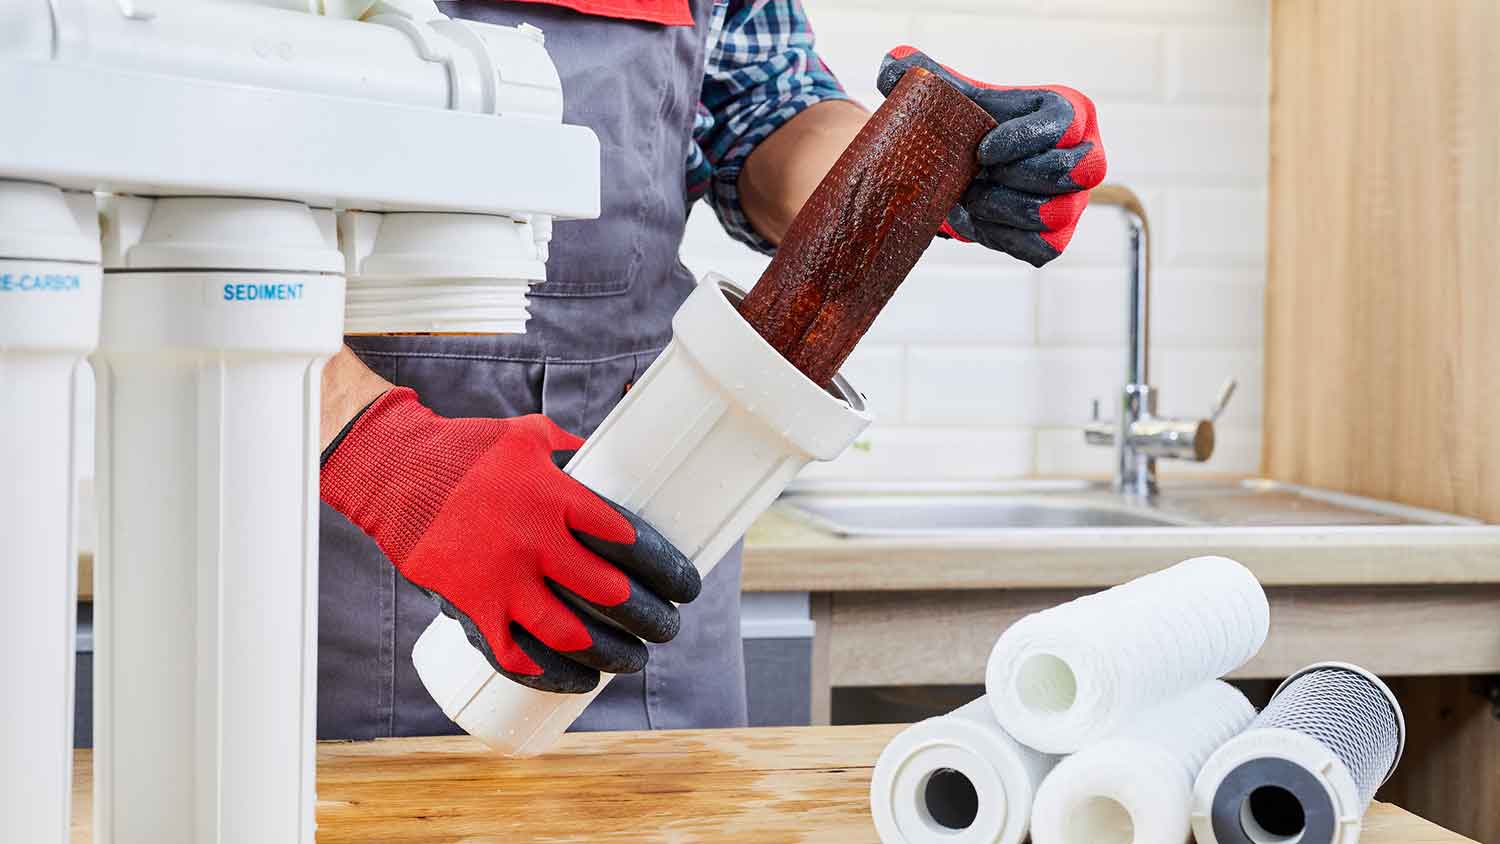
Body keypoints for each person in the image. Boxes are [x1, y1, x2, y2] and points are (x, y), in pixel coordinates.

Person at [316, 0, 1105, 739]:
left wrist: (918, 169)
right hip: (359, 543)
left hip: (652, 547)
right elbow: (199, 214)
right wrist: (384, 461)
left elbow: (763, 116)